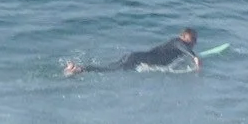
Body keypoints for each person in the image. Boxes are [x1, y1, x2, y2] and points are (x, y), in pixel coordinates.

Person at [64, 28, 201, 78]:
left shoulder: (178, 45)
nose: (193, 42)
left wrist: (191, 55)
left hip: (136, 56)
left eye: (195, 39)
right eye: (191, 39)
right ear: (183, 36)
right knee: (109, 70)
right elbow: (182, 47)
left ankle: (79, 68)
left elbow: (183, 49)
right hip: (139, 59)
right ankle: (79, 69)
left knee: (109, 68)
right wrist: (194, 58)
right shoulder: (178, 42)